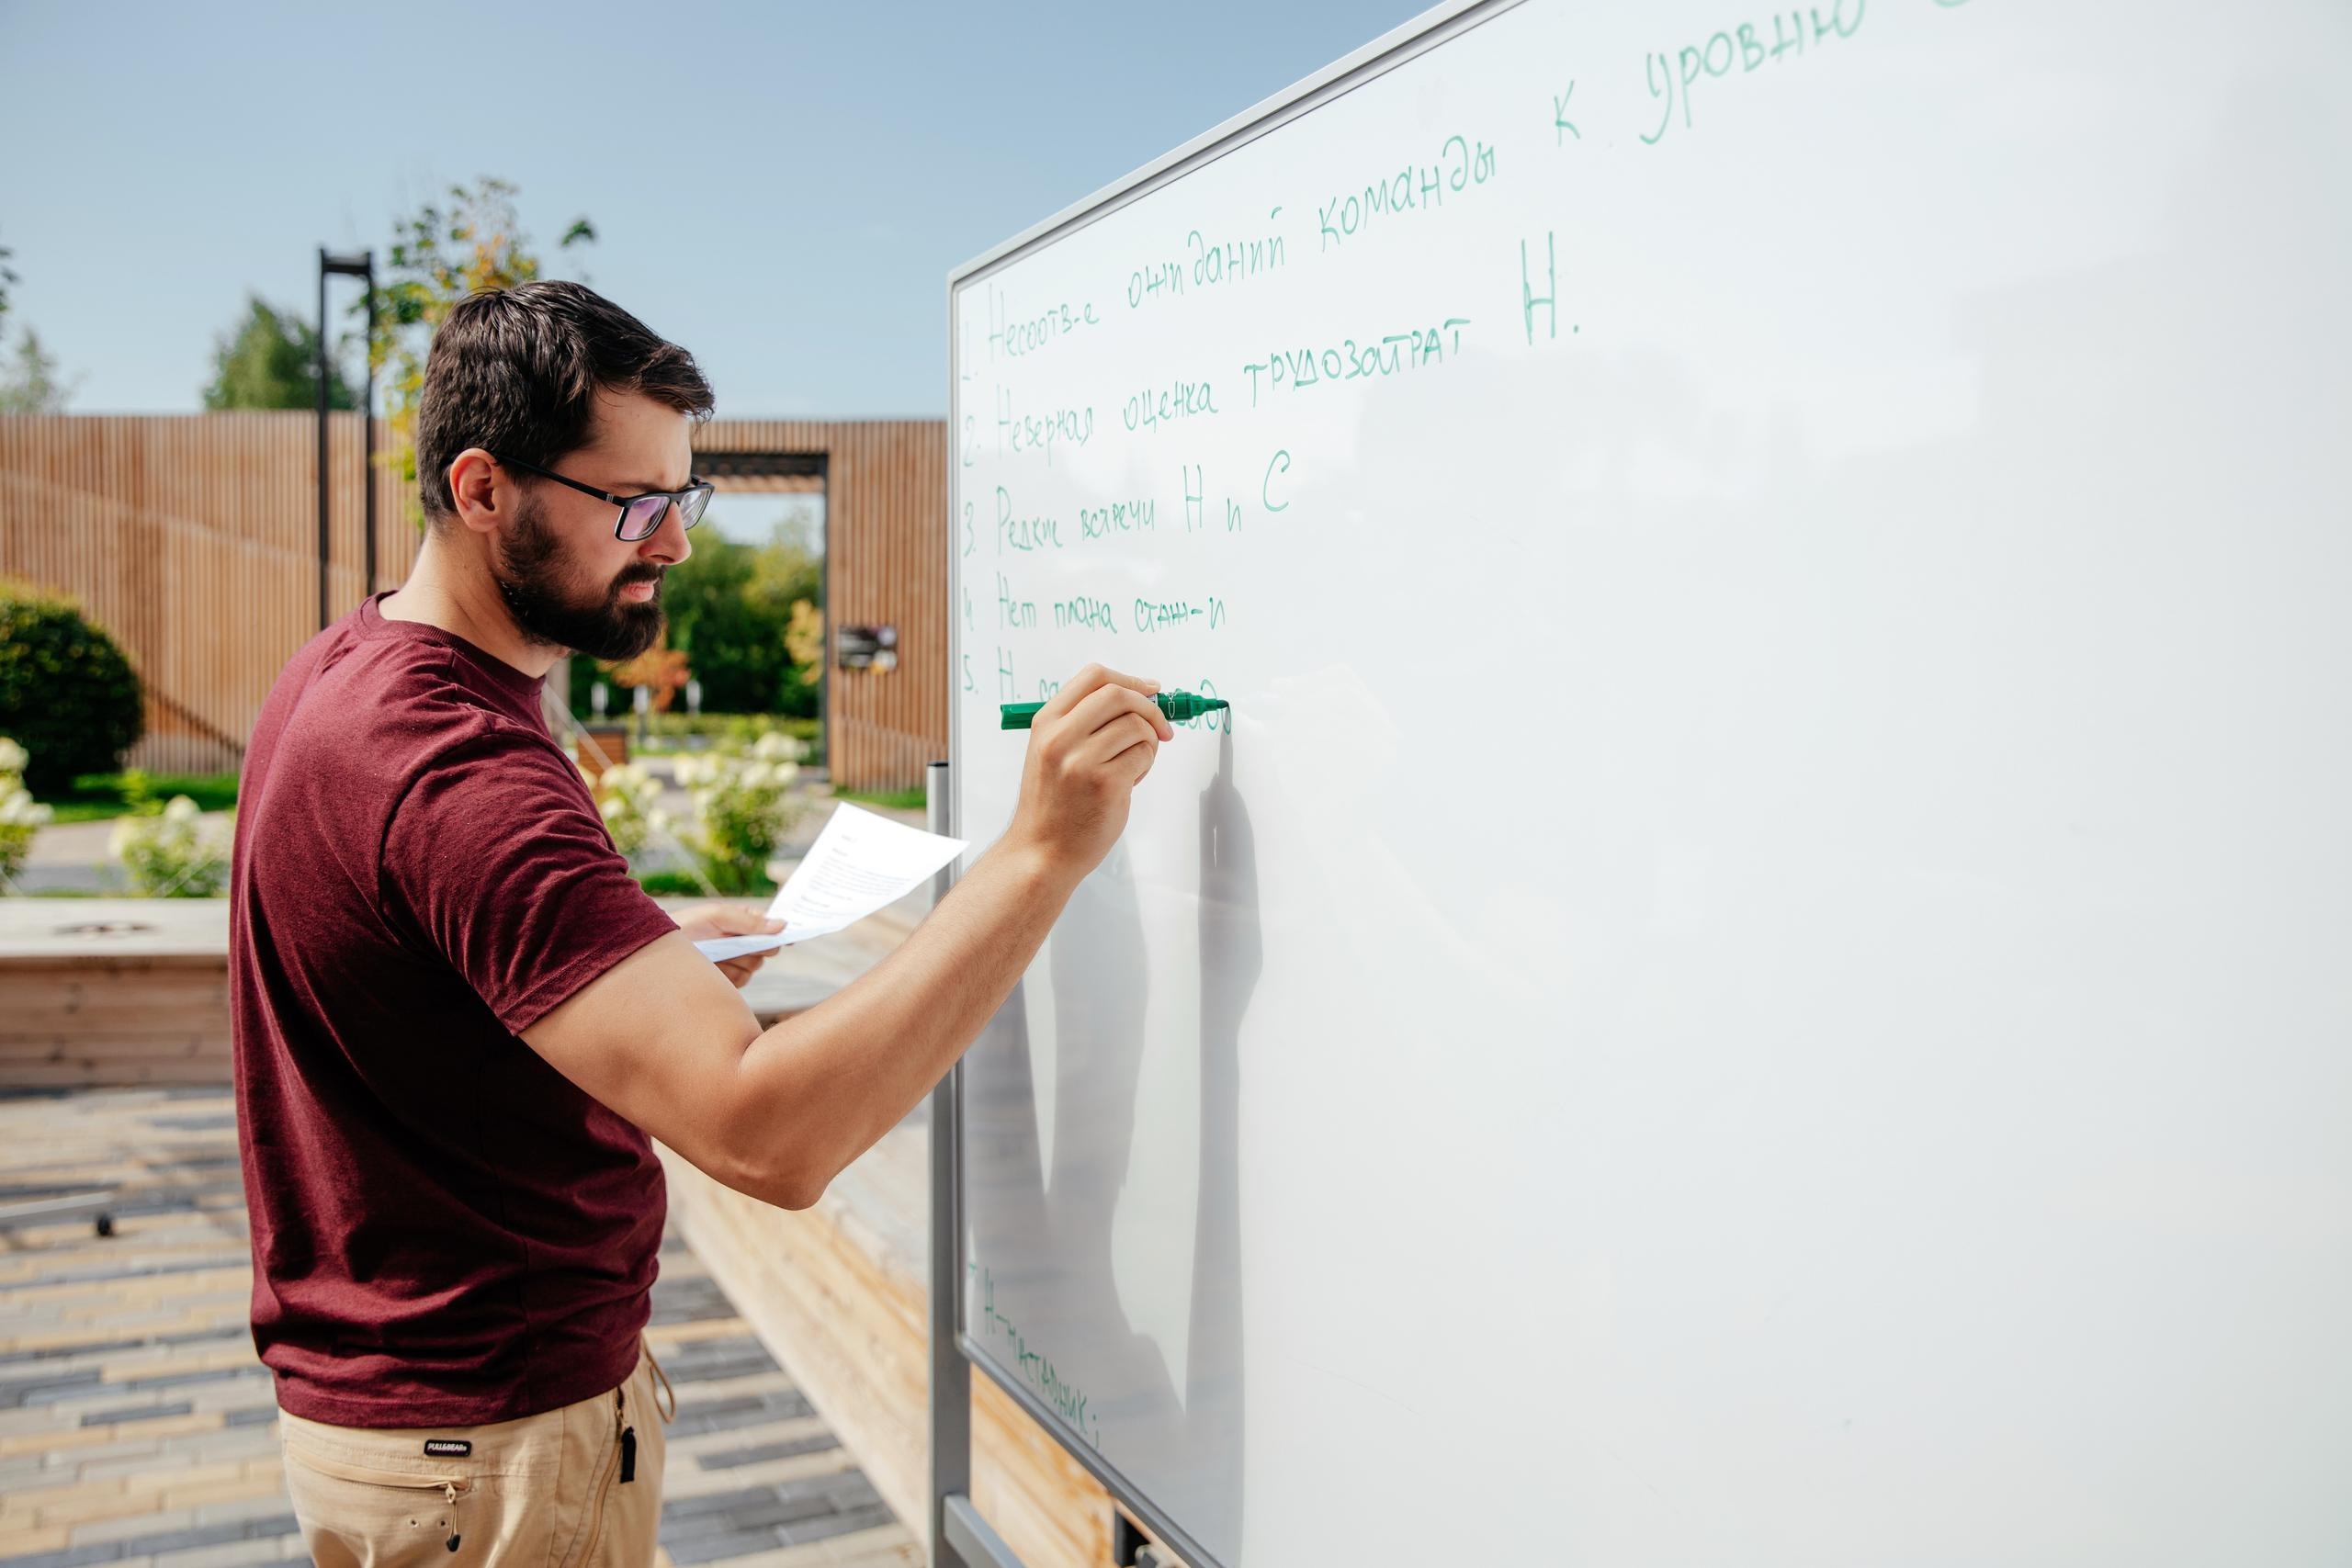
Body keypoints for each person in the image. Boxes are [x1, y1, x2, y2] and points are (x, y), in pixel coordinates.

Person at [228, 279, 1170, 1563]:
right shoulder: (459, 771)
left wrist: (629, 948)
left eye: (686, 498)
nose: (674, 544)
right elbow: (767, 1136)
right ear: (483, 487)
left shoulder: (353, 669)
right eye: (634, 503)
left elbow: (421, 955)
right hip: (494, 1450)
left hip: (424, 1425)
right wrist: (1040, 855)